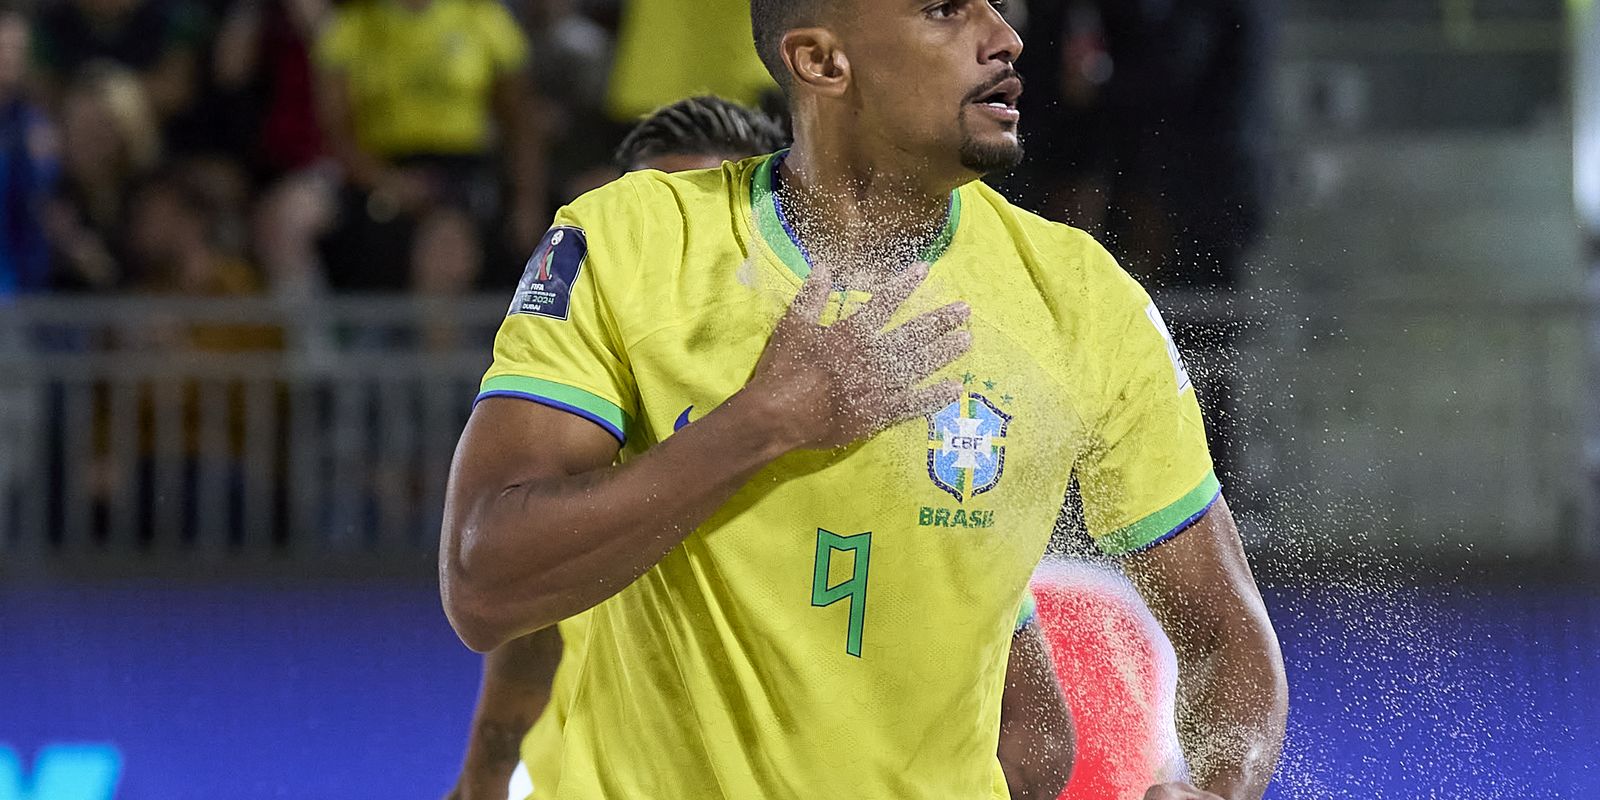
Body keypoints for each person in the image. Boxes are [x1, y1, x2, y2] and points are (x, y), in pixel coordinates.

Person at [440, 2, 1287, 799]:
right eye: (945, 8)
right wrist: (764, 423)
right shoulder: (630, 244)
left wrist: (1218, 783)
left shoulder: (1084, 300)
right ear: (821, 60)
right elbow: (485, 585)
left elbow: (1223, 630)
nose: (1004, 34)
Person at [444, 94, 1073, 800]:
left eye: (718, 227)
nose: (692, 256)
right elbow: (524, 623)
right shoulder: (592, 434)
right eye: (665, 217)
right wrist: (484, 777)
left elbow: (1035, 726)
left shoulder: (882, 443)